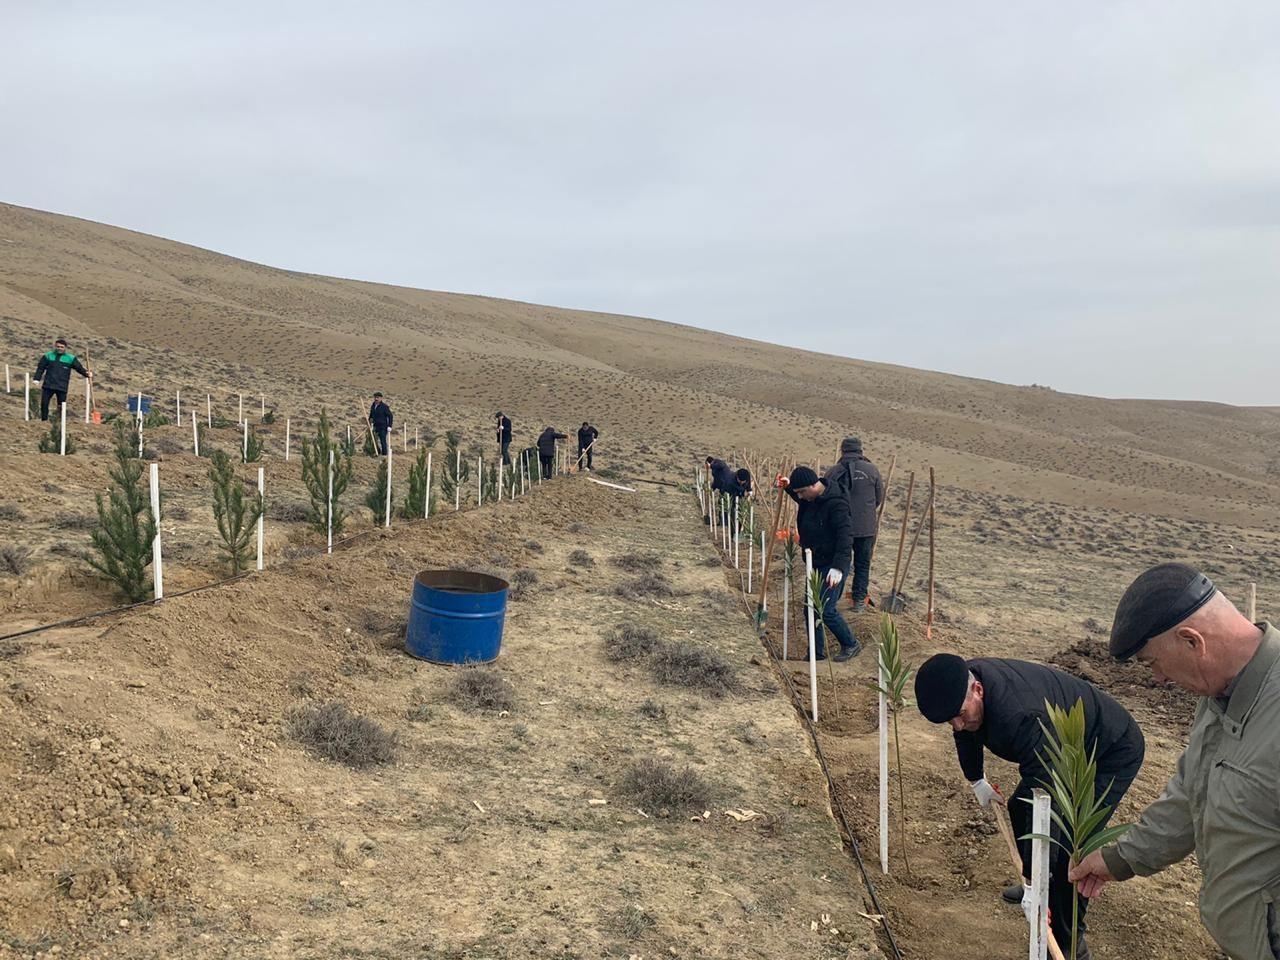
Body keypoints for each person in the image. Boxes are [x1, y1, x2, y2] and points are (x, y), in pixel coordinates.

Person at [1068, 562, 1280, 960]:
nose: (1159, 680)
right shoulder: (1217, 697)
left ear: (1191, 641)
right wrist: (1121, 858)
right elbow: (1190, 794)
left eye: (1152, 663)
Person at [914, 654, 1145, 960]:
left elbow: (1046, 803)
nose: (957, 724)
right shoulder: (961, 682)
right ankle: (1032, 884)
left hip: (1108, 749)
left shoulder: (1019, 715)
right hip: (1061, 749)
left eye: (959, 714)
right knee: (1018, 805)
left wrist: (1043, 876)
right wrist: (976, 780)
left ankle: (1069, 943)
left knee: (1070, 848)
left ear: (978, 690)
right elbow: (965, 734)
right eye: (949, 719)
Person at [781, 466, 859, 662]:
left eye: (801, 492)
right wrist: (789, 487)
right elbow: (800, 495)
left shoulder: (837, 504)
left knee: (825, 608)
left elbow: (845, 537)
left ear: (812, 486)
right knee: (810, 608)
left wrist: (839, 567)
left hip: (832, 565)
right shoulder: (811, 497)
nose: (799, 497)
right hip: (814, 562)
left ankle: (850, 644)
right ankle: (816, 653)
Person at [823, 437, 884, 613]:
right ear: (860, 450)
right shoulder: (872, 470)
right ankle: (858, 600)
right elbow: (879, 497)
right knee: (862, 564)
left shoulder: (834, 472)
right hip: (865, 528)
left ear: (843, 450)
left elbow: (824, 497)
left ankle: (831, 599)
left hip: (839, 527)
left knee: (839, 562)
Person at [33, 337, 91, 422]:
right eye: (58, 346)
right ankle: (44, 421)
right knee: (44, 404)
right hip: (48, 385)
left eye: (61, 347)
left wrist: (87, 373)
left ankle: (60, 422)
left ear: (65, 348)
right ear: (55, 347)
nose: (59, 348)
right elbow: (40, 368)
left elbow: (79, 368)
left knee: (61, 406)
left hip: (62, 386)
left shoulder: (70, 358)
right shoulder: (48, 356)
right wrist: (37, 379)